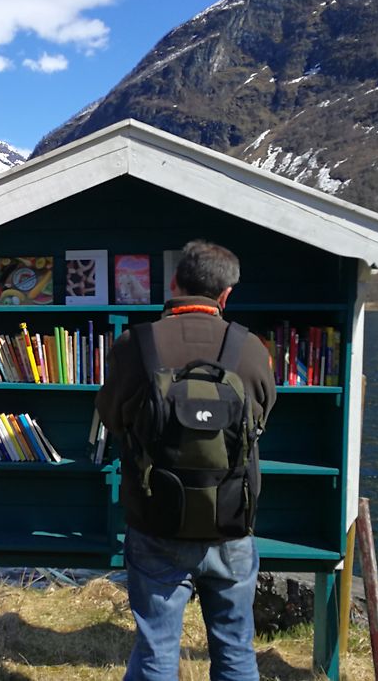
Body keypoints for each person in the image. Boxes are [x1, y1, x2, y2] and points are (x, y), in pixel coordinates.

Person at [96, 240, 277, 681]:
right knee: (235, 646)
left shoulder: (133, 344)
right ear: (225, 294)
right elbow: (262, 416)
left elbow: (112, 417)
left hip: (157, 516)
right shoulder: (251, 348)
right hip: (230, 521)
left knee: (157, 646)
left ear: (174, 282)